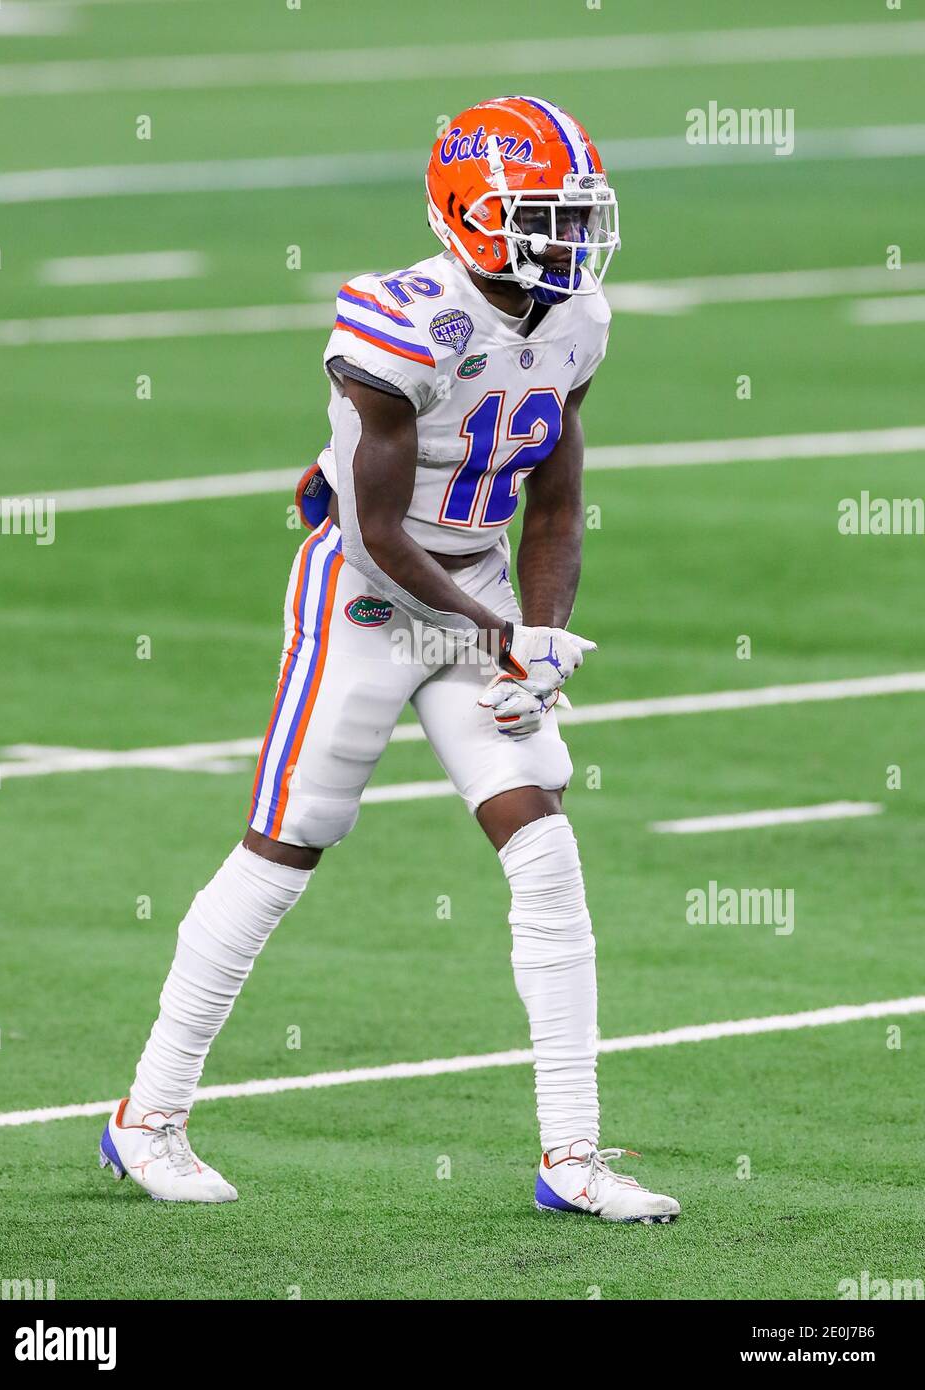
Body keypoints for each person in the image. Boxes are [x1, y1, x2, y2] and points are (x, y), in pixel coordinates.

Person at [100, 95, 680, 1224]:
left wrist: (541, 642)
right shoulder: (397, 321)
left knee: (546, 853)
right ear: (471, 214)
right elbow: (371, 528)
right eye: (543, 216)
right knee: (285, 850)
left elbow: (555, 503)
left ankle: (573, 1154)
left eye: (575, 216)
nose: (568, 241)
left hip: (481, 587)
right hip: (367, 596)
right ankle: (147, 1116)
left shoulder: (579, 320)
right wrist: (492, 631)